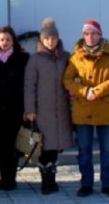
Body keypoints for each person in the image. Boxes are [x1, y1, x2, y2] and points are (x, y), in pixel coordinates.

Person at [64, 20, 109, 199]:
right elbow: (67, 80)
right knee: (84, 150)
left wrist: (97, 91)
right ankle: (86, 184)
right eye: (87, 33)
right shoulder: (75, 57)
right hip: (83, 110)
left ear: (100, 34)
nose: (90, 37)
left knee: (107, 150)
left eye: (94, 33)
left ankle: (108, 184)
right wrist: (84, 90)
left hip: (105, 109)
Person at [24, 18, 73, 195]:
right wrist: (30, 110)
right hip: (42, 112)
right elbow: (29, 86)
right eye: (47, 39)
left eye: (53, 38)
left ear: (58, 39)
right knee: (43, 148)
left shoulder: (66, 57)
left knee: (55, 148)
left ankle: (53, 180)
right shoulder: (35, 59)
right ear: (42, 41)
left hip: (61, 110)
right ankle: (45, 182)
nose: (50, 42)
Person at [0, 26, 29, 191]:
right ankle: (3, 177)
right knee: (0, 146)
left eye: (8, 39)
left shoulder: (23, 58)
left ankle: (11, 179)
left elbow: (27, 84)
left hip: (16, 110)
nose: (5, 42)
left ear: (13, 41)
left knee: (14, 146)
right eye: (2, 40)